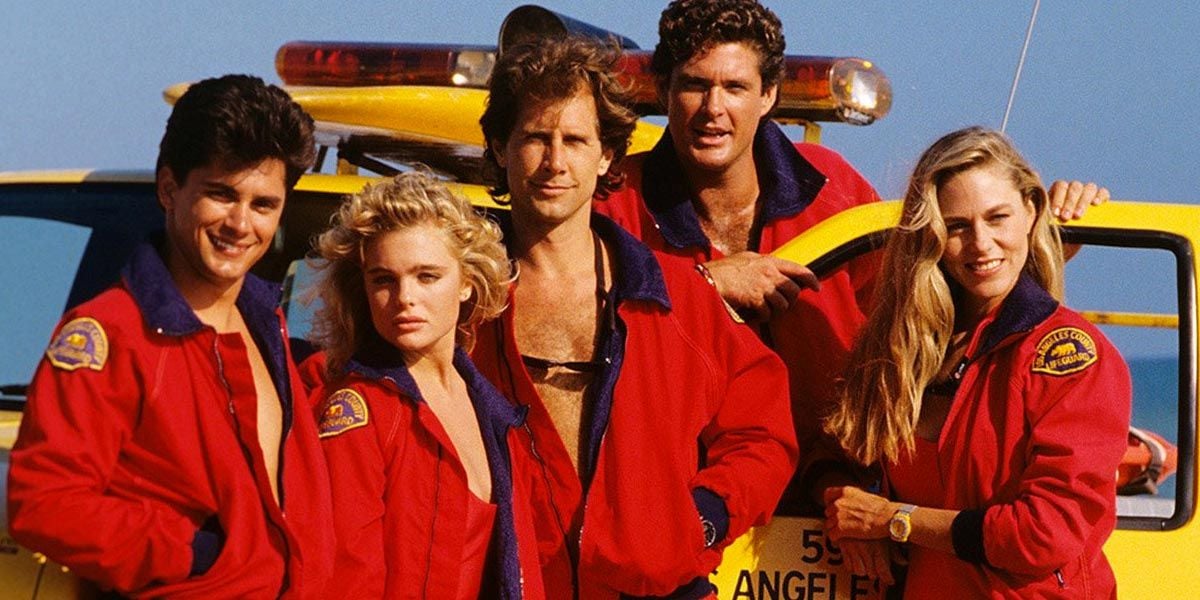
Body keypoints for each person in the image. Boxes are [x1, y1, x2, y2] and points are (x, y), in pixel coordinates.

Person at [595, 0, 1110, 514]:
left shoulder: (830, 187)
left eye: (734, 88)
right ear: (663, 90)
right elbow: (569, 310)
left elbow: (929, 289)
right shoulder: (615, 200)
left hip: (835, 499)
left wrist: (1046, 238)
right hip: (679, 506)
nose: (713, 108)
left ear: (768, 95)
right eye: (694, 85)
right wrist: (703, 283)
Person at [472, 36, 797, 598]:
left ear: (606, 156)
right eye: (534, 139)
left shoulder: (676, 300)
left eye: (575, 140)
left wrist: (701, 519)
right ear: (500, 147)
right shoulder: (455, 304)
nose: (554, 162)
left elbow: (764, 435)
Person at [7, 74, 333, 597]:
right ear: (169, 188)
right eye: (221, 195)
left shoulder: (268, 328)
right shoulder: (113, 332)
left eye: (263, 204)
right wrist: (192, 554)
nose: (240, 223)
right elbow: (44, 501)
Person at [822, 126, 1131, 597]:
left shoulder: (1068, 355)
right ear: (931, 232)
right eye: (958, 226)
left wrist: (895, 521)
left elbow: (1043, 535)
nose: (981, 243)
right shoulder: (904, 347)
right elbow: (838, 452)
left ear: (1031, 211)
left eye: (997, 218)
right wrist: (844, 508)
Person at [306, 171, 544, 598]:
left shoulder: (493, 411)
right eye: (383, 279)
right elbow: (344, 578)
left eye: (427, 276)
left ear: (467, 282)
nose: (404, 298)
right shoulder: (358, 410)